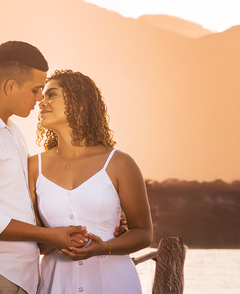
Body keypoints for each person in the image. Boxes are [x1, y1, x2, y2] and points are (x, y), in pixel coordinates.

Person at [0, 41, 90, 294]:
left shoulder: (11, 132)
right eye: (36, 89)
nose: (39, 98)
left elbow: (24, 204)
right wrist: (49, 235)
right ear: (10, 86)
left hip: (13, 280)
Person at [30, 70, 152, 294]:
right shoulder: (32, 167)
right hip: (57, 284)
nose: (42, 102)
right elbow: (38, 242)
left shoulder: (119, 163)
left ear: (80, 104)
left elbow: (143, 232)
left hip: (113, 283)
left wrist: (103, 247)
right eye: (42, 96)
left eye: (52, 95)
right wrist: (56, 238)